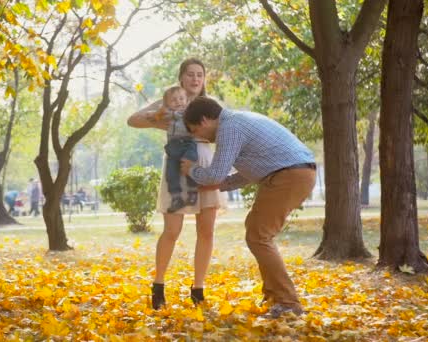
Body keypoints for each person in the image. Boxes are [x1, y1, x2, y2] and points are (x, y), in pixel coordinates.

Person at [180, 97, 316, 318]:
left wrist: (193, 171)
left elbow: (215, 172)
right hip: (291, 173)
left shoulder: (229, 127)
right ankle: (274, 297)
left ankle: (288, 303)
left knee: (259, 236)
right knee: (254, 229)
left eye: (195, 130)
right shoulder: (238, 121)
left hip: (289, 175)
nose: (199, 137)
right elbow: (246, 174)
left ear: (205, 120)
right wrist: (215, 186)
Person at [127, 58, 226, 310]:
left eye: (200, 75)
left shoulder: (210, 103)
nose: (195, 79)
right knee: (172, 230)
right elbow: (133, 119)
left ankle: (198, 289)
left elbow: (226, 131)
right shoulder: (171, 99)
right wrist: (161, 119)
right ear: (181, 77)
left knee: (206, 231)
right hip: (176, 164)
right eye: (190, 74)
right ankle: (158, 286)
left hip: (204, 161)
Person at [155, 86, 198, 212]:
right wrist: (159, 113)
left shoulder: (189, 112)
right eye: (174, 100)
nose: (178, 102)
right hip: (173, 146)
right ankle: (176, 198)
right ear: (167, 104)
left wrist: (169, 113)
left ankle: (192, 191)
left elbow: (184, 116)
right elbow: (156, 117)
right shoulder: (168, 114)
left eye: (181, 99)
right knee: (171, 173)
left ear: (187, 101)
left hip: (188, 143)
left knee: (189, 165)